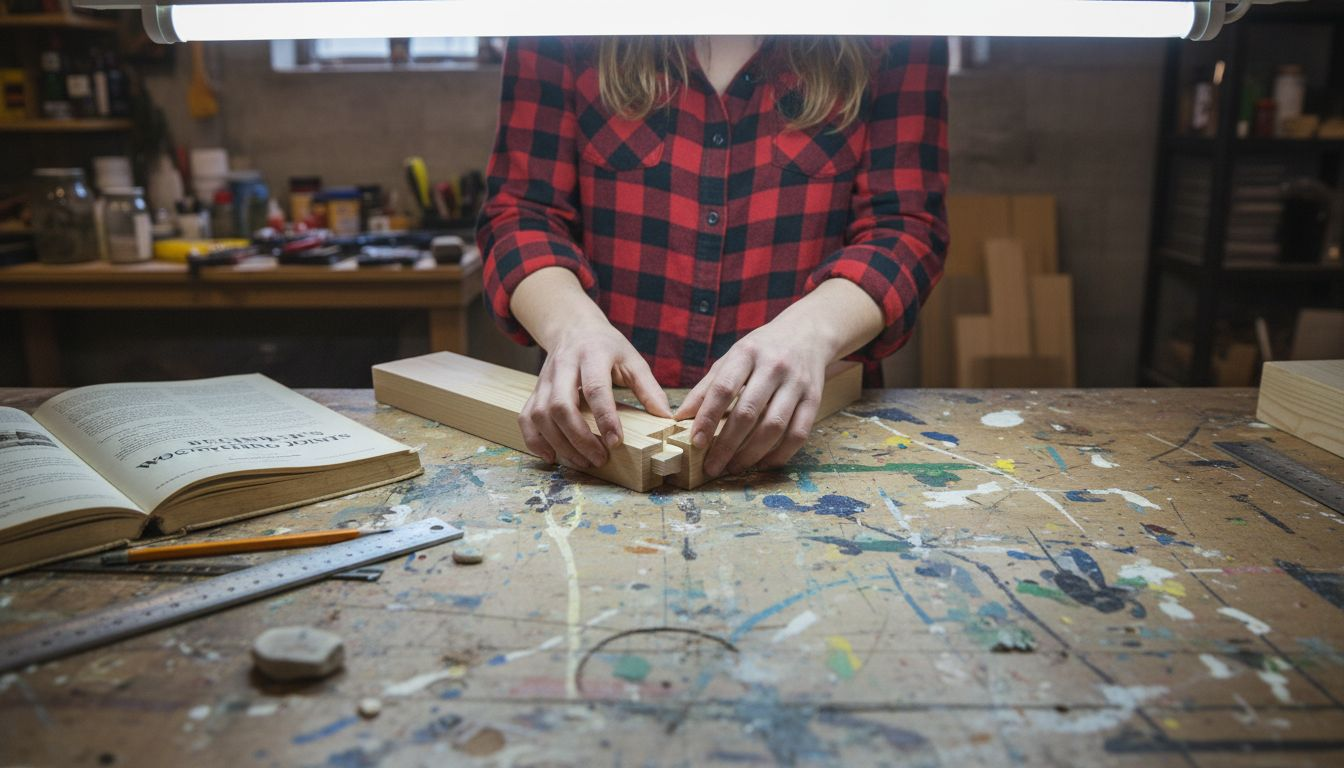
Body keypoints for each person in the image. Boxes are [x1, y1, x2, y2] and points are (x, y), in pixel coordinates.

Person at [478, 34, 948, 480]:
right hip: (600, 430)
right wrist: (570, 327)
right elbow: (522, 214)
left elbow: (905, 227)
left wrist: (810, 333)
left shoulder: (893, 25)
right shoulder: (562, 20)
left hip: (809, 432)